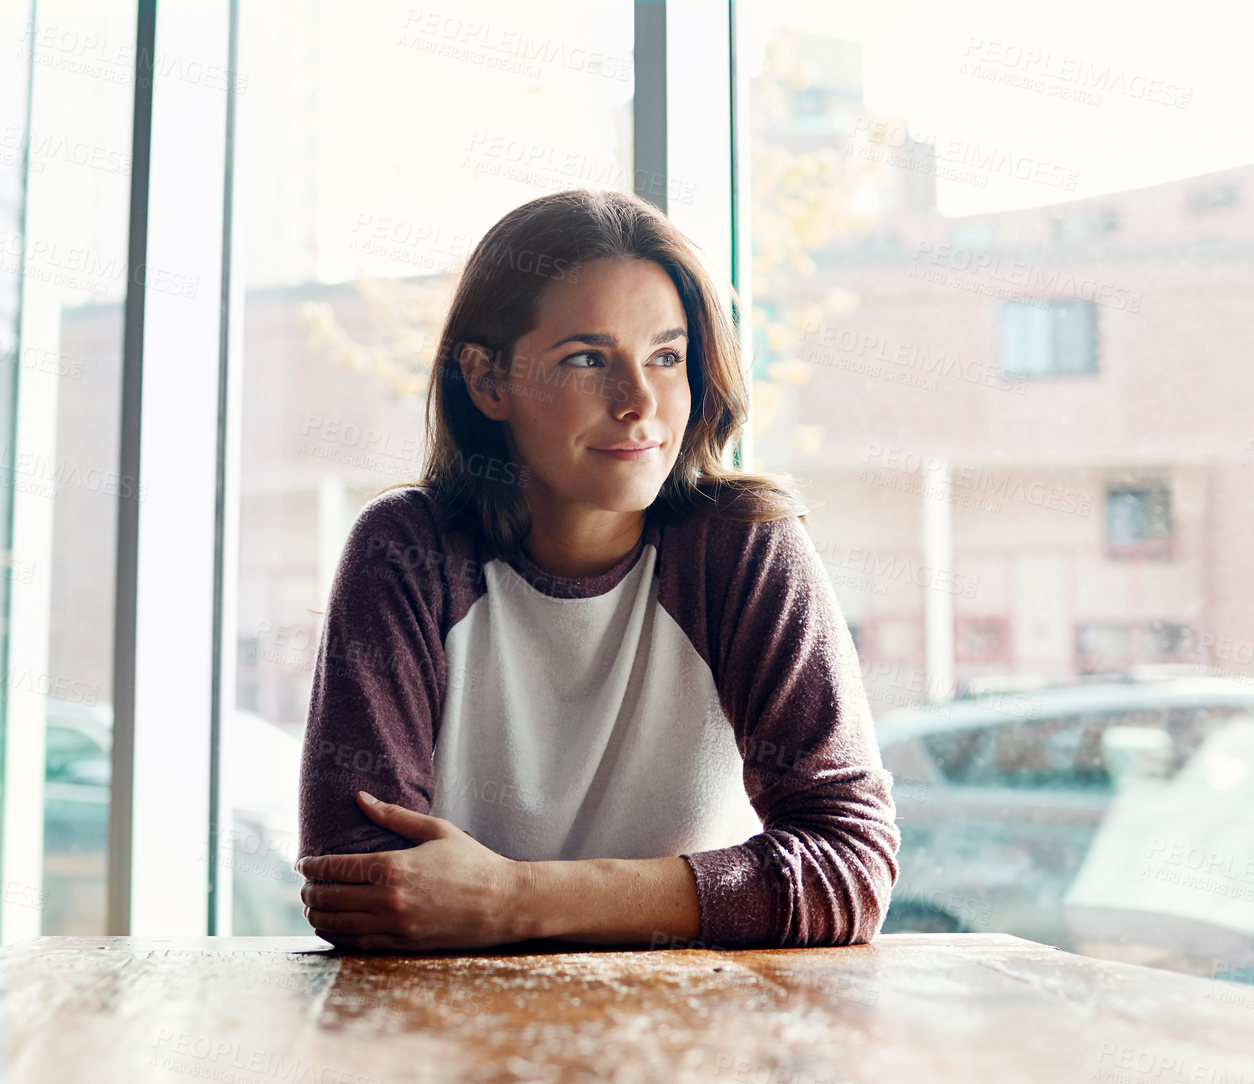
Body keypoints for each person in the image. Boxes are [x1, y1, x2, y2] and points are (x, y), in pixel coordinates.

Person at [294, 189, 898, 952]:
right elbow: (359, 884)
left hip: (694, 1039)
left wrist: (514, 899)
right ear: (487, 381)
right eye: (587, 359)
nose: (639, 401)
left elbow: (848, 866)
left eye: (667, 357)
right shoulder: (406, 551)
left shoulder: (742, 548)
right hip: (449, 1046)